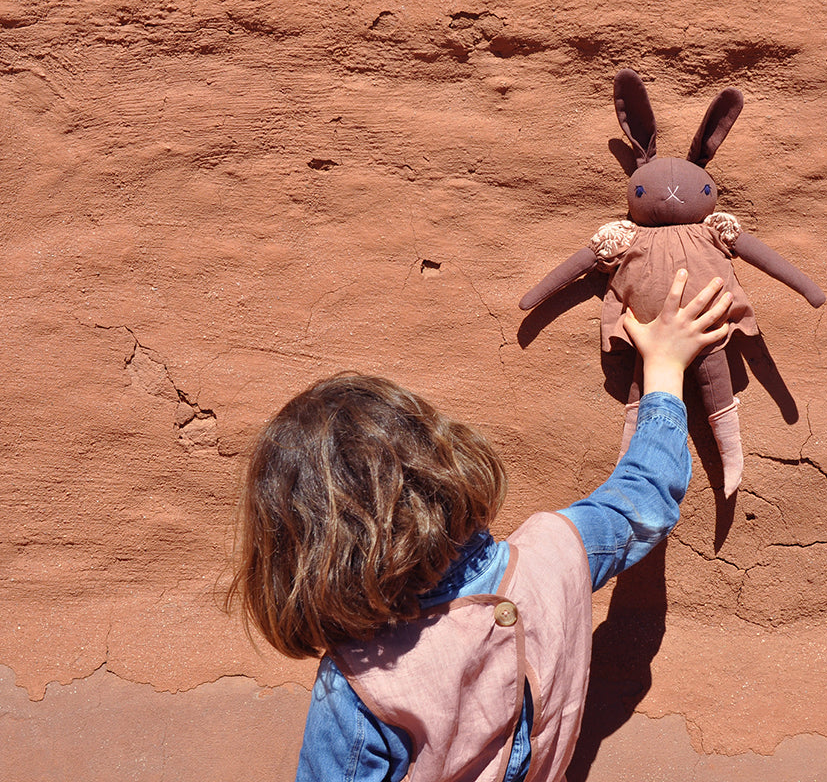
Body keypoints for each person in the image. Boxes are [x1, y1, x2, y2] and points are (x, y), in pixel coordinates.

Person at [227, 269, 733, 782]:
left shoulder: (357, 684)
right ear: (444, 460)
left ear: (300, 546)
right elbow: (644, 494)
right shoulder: (555, 554)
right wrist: (666, 371)